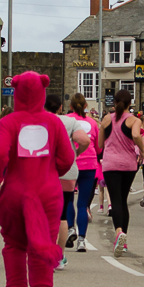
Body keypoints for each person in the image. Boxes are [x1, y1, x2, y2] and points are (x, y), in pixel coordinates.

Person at [0, 71, 77, 287]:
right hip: (47, 193)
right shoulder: (53, 123)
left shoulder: (8, 122)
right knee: (44, 242)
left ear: (16, 92)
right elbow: (67, 158)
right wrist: (52, 172)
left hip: (15, 192)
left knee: (15, 244)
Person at [99, 90, 144, 257]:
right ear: (129, 104)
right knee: (123, 200)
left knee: (115, 199)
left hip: (110, 164)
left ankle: (118, 232)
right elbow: (135, 135)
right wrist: (142, 150)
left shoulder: (106, 119)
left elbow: (99, 142)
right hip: (128, 164)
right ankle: (123, 239)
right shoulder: (134, 120)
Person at [50, 94, 92, 263]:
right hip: (66, 171)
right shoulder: (69, 122)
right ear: (60, 107)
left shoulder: (38, 120)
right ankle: (59, 256)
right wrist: (75, 153)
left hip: (42, 171)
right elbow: (84, 140)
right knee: (62, 214)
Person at [67, 95, 99, 251]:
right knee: (82, 204)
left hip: (70, 163)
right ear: (86, 105)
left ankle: (70, 229)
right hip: (89, 163)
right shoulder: (92, 123)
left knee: (67, 199)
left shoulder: (66, 120)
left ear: (71, 106)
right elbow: (99, 147)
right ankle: (81, 239)